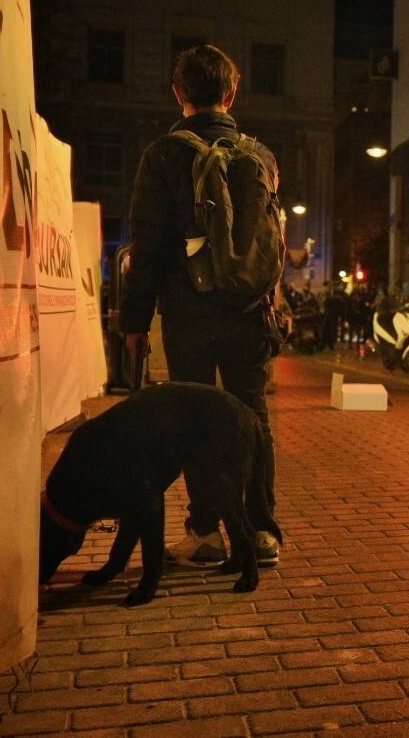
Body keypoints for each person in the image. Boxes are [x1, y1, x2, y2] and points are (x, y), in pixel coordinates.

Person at [119, 44, 280, 568]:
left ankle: (206, 533)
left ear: (178, 93)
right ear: (231, 94)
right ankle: (260, 533)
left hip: (188, 312)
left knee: (194, 419)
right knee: (251, 416)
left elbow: (148, 248)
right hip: (249, 310)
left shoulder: (164, 155)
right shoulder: (261, 157)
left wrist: (134, 322)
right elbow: (264, 242)